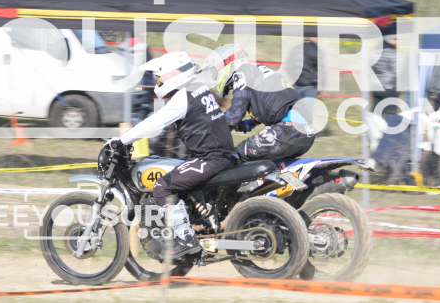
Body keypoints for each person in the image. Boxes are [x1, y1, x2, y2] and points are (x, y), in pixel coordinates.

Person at [104, 51, 237, 258]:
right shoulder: (197, 88)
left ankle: (185, 239)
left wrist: (120, 141)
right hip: (217, 154)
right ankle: (195, 228)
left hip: (210, 158)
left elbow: (156, 122)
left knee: (162, 186)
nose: (157, 83)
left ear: (173, 75)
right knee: (175, 171)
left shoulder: (183, 96)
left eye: (159, 78)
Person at [202, 43, 317, 161]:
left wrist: (206, 124)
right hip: (304, 132)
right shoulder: (256, 71)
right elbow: (271, 104)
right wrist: (246, 124)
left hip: (289, 130)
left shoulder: (241, 73)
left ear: (227, 64)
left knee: (232, 158)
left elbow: (234, 116)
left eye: (214, 72)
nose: (214, 77)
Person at [288, 37, 320, 114]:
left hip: (297, 84)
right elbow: (319, 69)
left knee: (294, 110)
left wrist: (294, 78)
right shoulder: (315, 49)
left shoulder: (295, 48)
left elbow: (289, 66)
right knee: (306, 112)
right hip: (309, 86)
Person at [371, 34, 399, 118]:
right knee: (391, 115)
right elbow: (397, 71)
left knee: (375, 114)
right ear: (389, 40)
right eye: (395, 39)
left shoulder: (375, 52)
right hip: (389, 87)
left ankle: (372, 125)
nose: (398, 41)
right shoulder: (392, 53)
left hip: (376, 87)